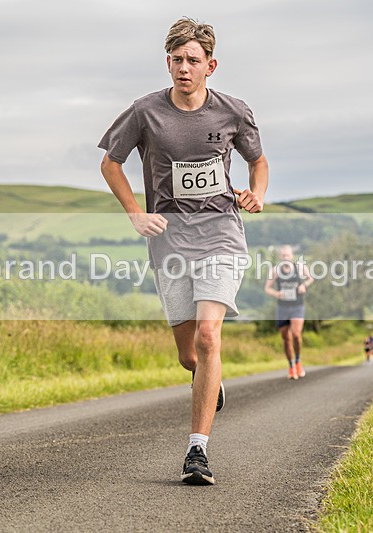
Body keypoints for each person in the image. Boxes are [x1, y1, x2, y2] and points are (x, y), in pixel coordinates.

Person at [98, 17, 268, 486]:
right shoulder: (144, 112)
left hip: (221, 235)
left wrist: (256, 193)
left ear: (211, 65)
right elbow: (110, 163)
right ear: (167, 63)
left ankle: (198, 451)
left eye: (193, 60)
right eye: (176, 60)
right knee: (189, 354)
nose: (184, 68)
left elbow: (258, 161)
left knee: (210, 337)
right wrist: (135, 212)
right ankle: (207, 379)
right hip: (170, 242)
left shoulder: (233, 111)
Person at [264, 245, 313, 379]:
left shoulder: (300, 267)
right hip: (283, 307)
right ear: (280, 257)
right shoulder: (276, 270)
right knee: (286, 338)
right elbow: (267, 288)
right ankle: (291, 366)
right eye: (283, 255)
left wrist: (304, 285)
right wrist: (276, 293)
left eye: (288, 255)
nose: (286, 258)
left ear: (292, 256)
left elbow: (311, 278)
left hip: (297, 306)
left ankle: (298, 361)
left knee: (296, 335)